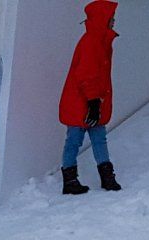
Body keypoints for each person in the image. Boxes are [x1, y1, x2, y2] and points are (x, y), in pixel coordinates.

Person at [59, 0, 121, 195]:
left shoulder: (100, 41)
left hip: (93, 102)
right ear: (103, 19)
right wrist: (93, 102)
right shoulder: (91, 42)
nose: (114, 21)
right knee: (75, 140)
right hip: (81, 103)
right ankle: (70, 181)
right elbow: (86, 75)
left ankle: (107, 177)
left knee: (98, 139)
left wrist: (96, 102)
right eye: (111, 17)